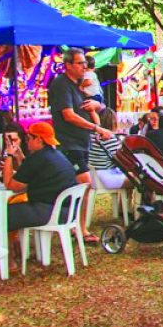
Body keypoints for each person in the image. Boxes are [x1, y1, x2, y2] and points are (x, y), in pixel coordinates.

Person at [0, 122, 78, 271]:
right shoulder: (56, 155)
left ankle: (8, 259)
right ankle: (15, 250)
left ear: (38, 139)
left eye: (28, 138)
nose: (26, 141)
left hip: (47, 211)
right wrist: (20, 157)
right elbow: (28, 175)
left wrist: (9, 155)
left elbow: (11, 185)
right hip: (66, 211)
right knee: (11, 209)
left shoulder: (38, 158)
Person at [48, 47, 113, 243]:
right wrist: (96, 128)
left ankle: (77, 226)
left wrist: (97, 107)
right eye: (80, 63)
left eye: (85, 63)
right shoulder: (61, 84)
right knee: (85, 184)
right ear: (68, 65)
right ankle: (79, 228)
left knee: (80, 186)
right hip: (69, 142)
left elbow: (92, 108)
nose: (85, 66)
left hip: (82, 143)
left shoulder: (79, 85)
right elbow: (68, 115)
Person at [88, 109, 131, 190]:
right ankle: (126, 202)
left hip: (92, 177)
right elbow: (122, 161)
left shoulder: (90, 137)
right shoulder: (110, 139)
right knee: (136, 181)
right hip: (106, 178)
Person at [80, 54, 103, 125]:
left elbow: (88, 82)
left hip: (93, 96)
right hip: (95, 96)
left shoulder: (88, 73)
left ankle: (97, 124)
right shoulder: (91, 73)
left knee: (91, 110)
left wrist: (81, 85)